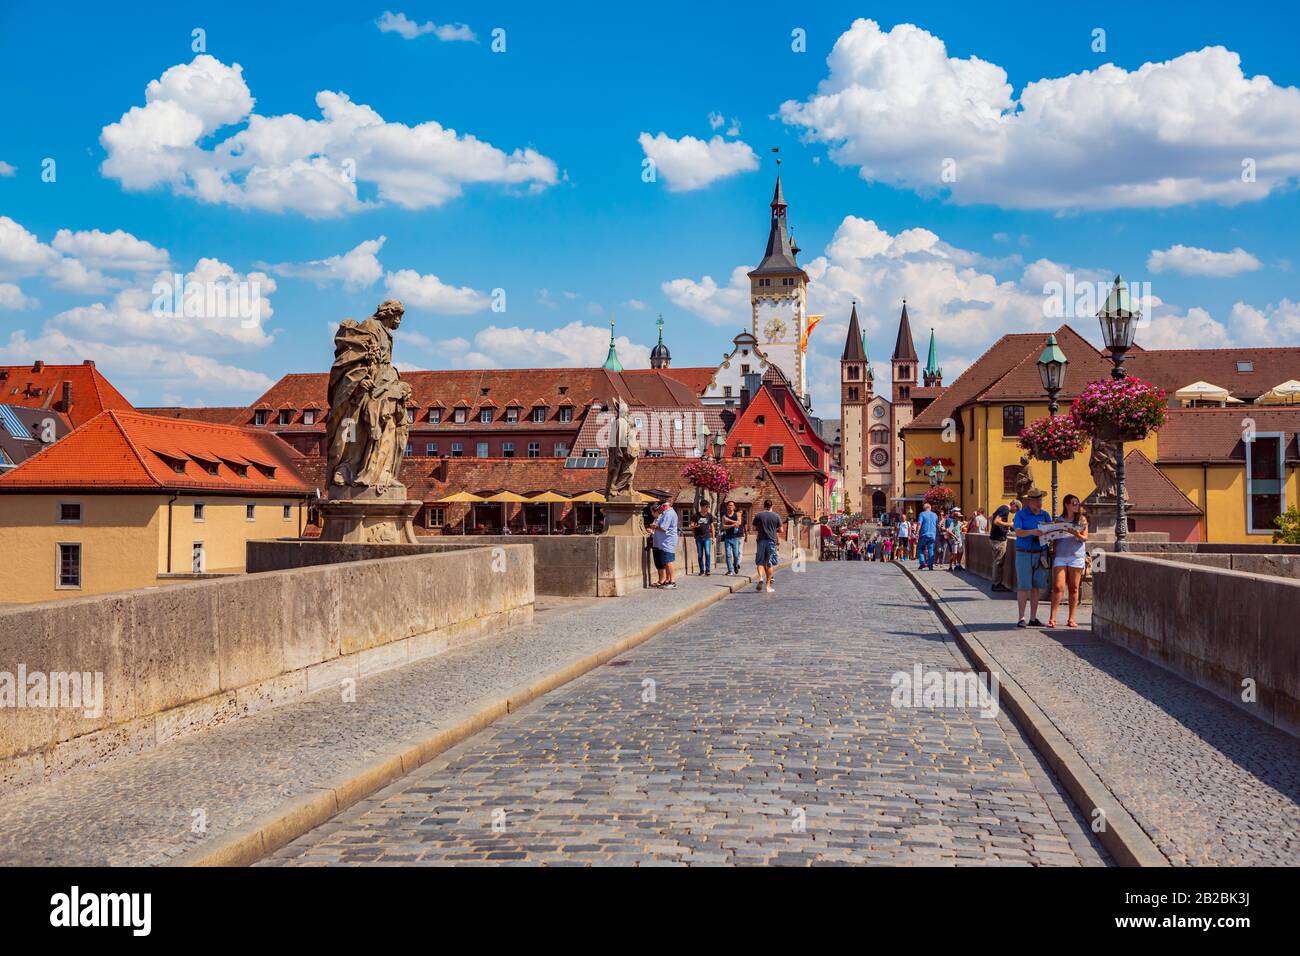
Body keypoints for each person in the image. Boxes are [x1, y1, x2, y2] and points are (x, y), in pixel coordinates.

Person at [1048, 494, 1089, 628]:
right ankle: (1052, 618)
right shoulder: (1059, 520)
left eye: (1077, 503)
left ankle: (1071, 618)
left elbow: (1085, 538)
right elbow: (1054, 538)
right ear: (1066, 505)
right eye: (1073, 503)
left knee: (1074, 588)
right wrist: (1053, 548)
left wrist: (1075, 533)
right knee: (1058, 586)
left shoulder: (1082, 520)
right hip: (1061, 555)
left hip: (1076, 556)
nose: (1076, 506)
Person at [1013, 489, 1052, 627]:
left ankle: (1033, 618)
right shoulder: (1020, 515)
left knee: (1036, 587)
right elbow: (1018, 532)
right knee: (1024, 587)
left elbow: (1050, 532)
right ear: (1029, 501)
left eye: (1040, 500)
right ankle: (1021, 617)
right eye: (1036, 500)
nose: (1039, 503)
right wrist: (1032, 532)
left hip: (1040, 553)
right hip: (1024, 553)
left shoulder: (1045, 515)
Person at [647, 500, 679, 589]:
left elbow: (664, 528)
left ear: (664, 506)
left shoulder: (668, 514)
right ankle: (668, 580)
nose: (659, 509)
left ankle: (672, 582)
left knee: (668, 562)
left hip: (667, 542)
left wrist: (654, 526)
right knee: (666, 562)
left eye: (660, 507)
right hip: (665, 541)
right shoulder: (668, 513)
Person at [752, 499, 782, 593]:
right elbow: (781, 530)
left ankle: (760, 578)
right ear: (771, 506)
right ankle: (768, 586)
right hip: (771, 541)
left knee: (760, 562)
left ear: (764, 506)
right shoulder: (776, 516)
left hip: (761, 540)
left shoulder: (758, 515)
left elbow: (753, 528)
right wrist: (772, 530)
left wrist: (762, 529)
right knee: (769, 563)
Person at [989, 499, 1019, 592]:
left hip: (994, 538)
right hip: (999, 540)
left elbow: (991, 517)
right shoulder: (1005, 509)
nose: (1015, 512)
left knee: (996, 561)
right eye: (1016, 509)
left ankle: (996, 583)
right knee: (999, 562)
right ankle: (997, 584)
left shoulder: (1001, 508)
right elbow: (996, 521)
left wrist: (997, 529)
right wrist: (1009, 525)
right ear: (1014, 505)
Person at [692, 500, 716, 576]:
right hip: (698, 538)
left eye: (708, 507)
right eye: (707, 507)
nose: (708, 508)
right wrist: (694, 527)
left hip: (707, 537)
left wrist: (713, 537)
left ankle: (708, 570)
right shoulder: (696, 515)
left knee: (708, 553)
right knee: (700, 555)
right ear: (702, 506)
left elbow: (712, 526)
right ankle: (702, 570)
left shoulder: (709, 515)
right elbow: (692, 525)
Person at [719, 500, 743, 575]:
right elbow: (723, 526)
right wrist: (733, 524)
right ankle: (730, 570)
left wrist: (728, 520)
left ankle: (735, 565)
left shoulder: (737, 514)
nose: (730, 506)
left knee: (736, 555)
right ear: (727, 507)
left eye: (732, 505)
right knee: (728, 554)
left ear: (734, 507)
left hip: (735, 537)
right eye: (729, 505)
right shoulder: (724, 516)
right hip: (727, 537)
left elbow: (739, 523)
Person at [915, 502, 939, 571]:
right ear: (930, 508)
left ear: (924, 508)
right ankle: (930, 565)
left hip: (924, 534)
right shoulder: (935, 515)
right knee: (931, 549)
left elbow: (919, 523)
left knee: (920, 548)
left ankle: (922, 563)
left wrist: (917, 533)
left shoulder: (922, 514)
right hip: (932, 535)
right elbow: (937, 525)